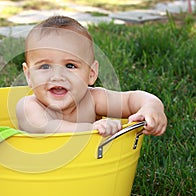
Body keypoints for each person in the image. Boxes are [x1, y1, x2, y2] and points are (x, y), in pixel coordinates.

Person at [16, 15, 167, 136]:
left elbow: (130, 100)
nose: (57, 76)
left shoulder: (93, 99)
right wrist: (91, 129)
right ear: (29, 75)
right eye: (45, 66)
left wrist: (152, 107)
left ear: (91, 74)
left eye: (70, 66)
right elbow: (47, 127)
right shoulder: (28, 106)